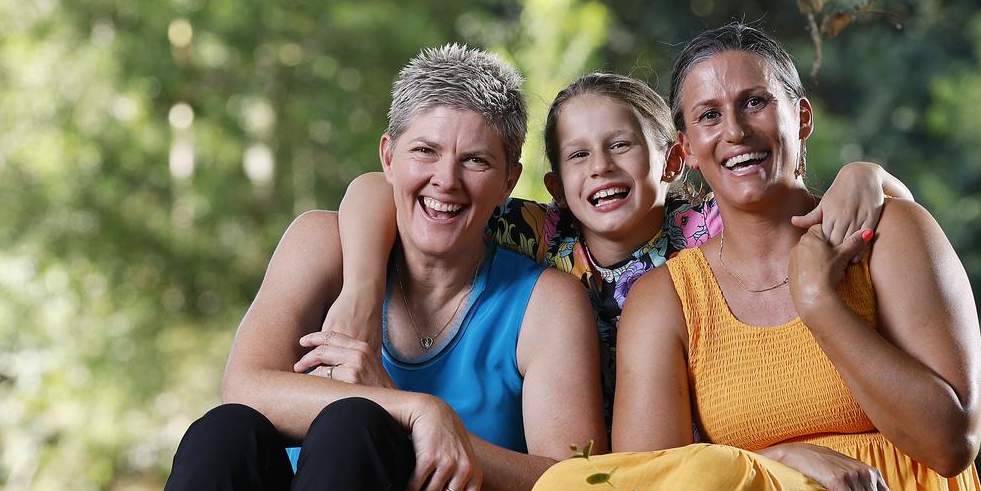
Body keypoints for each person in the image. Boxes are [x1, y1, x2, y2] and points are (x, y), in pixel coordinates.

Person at [476, 23, 981, 491]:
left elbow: (951, 441)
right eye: (710, 115)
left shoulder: (890, 235)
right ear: (687, 149)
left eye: (755, 103)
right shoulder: (667, 300)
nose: (734, 131)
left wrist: (819, 298)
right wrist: (781, 459)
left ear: (801, 116)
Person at [116, 44, 604, 491]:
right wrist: (412, 407)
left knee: (355, 432)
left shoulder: (545, 303)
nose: (446, 180)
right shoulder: (327, 247)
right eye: (425, 152)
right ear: (388, 157)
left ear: (509, 179)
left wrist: (445, 442)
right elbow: (244, 388)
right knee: (222, 435)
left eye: (476, 161)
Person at [323, 73, 913, 422]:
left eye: (621, 146)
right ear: (556, 187)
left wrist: (869, 175)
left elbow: (829, 210)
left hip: (688, 441)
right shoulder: (538, 232)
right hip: (573, 447)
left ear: (675, 161)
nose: (601, 168)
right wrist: (360, 291)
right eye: (578, 155)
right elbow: (375, 188)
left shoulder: (706, 232)